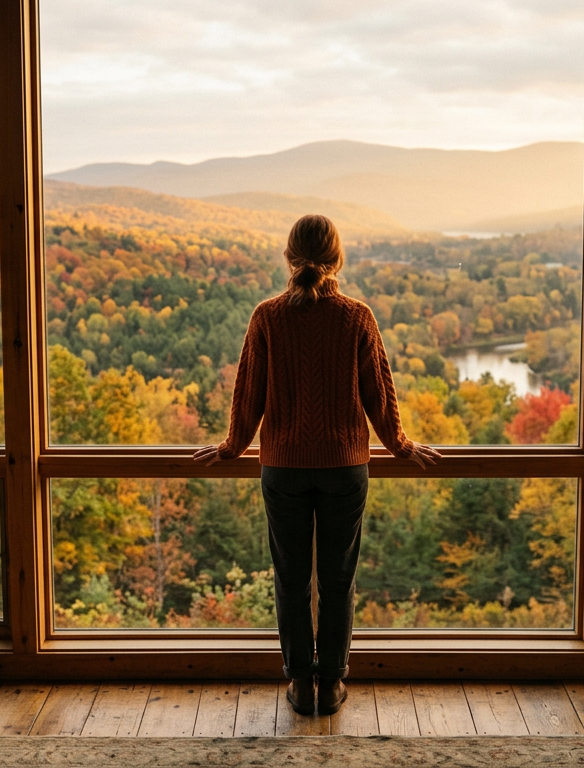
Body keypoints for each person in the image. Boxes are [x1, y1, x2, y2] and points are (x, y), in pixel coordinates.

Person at [193, 214, 441, 716]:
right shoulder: (357, 317)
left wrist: (231, 447)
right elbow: (378, 394)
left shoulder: (267, 316)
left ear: (289, 257)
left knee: (290, 578)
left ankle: (299, 683)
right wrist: (399, 445)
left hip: (283, 468)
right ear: (337, 259)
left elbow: (249, 394)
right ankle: (331, 684)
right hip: (344, 468)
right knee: (337, 580)